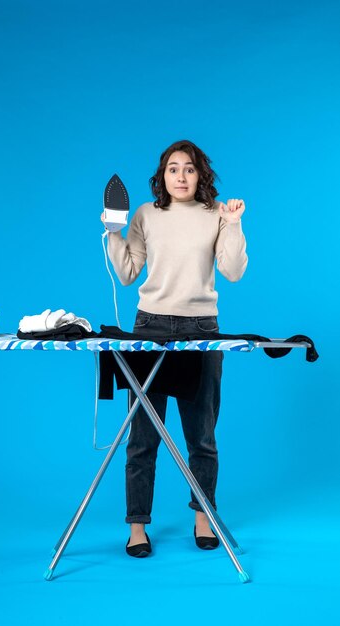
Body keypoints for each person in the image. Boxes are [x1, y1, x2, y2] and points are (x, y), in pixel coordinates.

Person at [100, 139, 248, 557]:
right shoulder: (147, 214)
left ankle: (204, 516)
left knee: (202, 434)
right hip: (150, 326)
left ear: (201, 174)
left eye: (188, 168)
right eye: (172, 168)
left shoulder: (216, 215)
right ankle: (137, 526)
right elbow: (128, 274)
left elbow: (233, 272)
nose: (180, 176)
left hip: (202, 327)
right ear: (161, 175)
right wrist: (114, 233)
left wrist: (234, 224)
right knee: (142, 436)